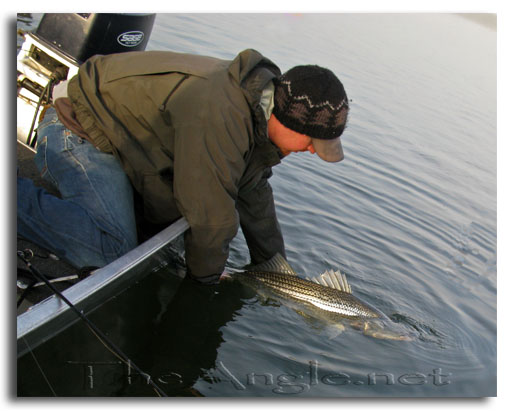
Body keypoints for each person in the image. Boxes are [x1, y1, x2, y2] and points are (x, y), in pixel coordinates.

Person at [17, 49, 349, 284]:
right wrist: (204, 282)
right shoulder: (220, 113)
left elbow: (253, 191)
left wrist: (274, 268)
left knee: (167, 239)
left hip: (127, 148)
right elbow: (211, 217)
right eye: (311, 142)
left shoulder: (258, 114)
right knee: (114, 253)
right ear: (286, 118)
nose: (310, 151)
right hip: (80, 131)